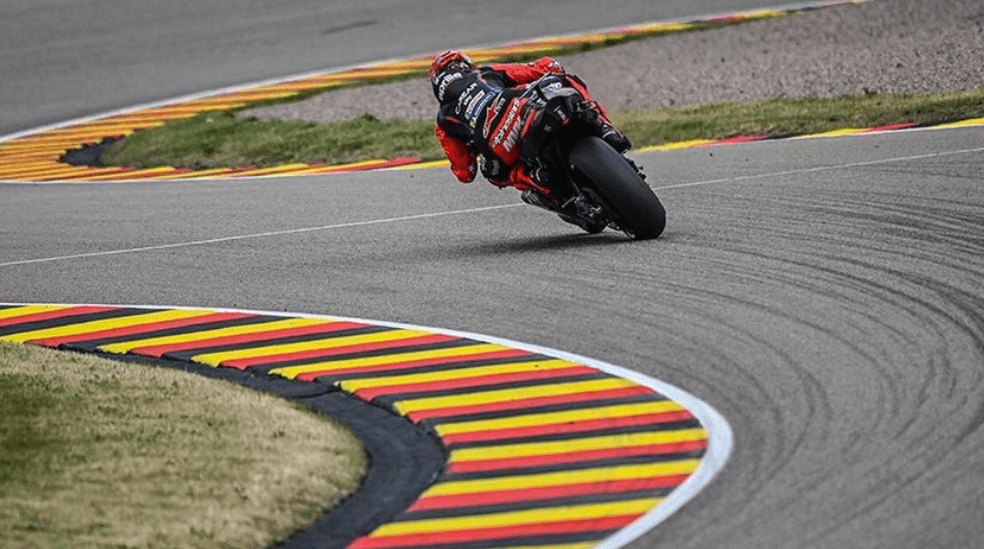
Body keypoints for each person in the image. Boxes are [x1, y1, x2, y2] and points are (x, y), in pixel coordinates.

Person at [430, 50, 631, 193]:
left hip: (495, 142)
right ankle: (605, 128)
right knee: (567, 81)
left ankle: (538, 179)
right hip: (518, 107)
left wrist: (473, 148)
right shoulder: (483, 72)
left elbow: (465, 173)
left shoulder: (443, 119)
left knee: (494, 173)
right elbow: (542, 69)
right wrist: (550, 68)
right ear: (465, 65)